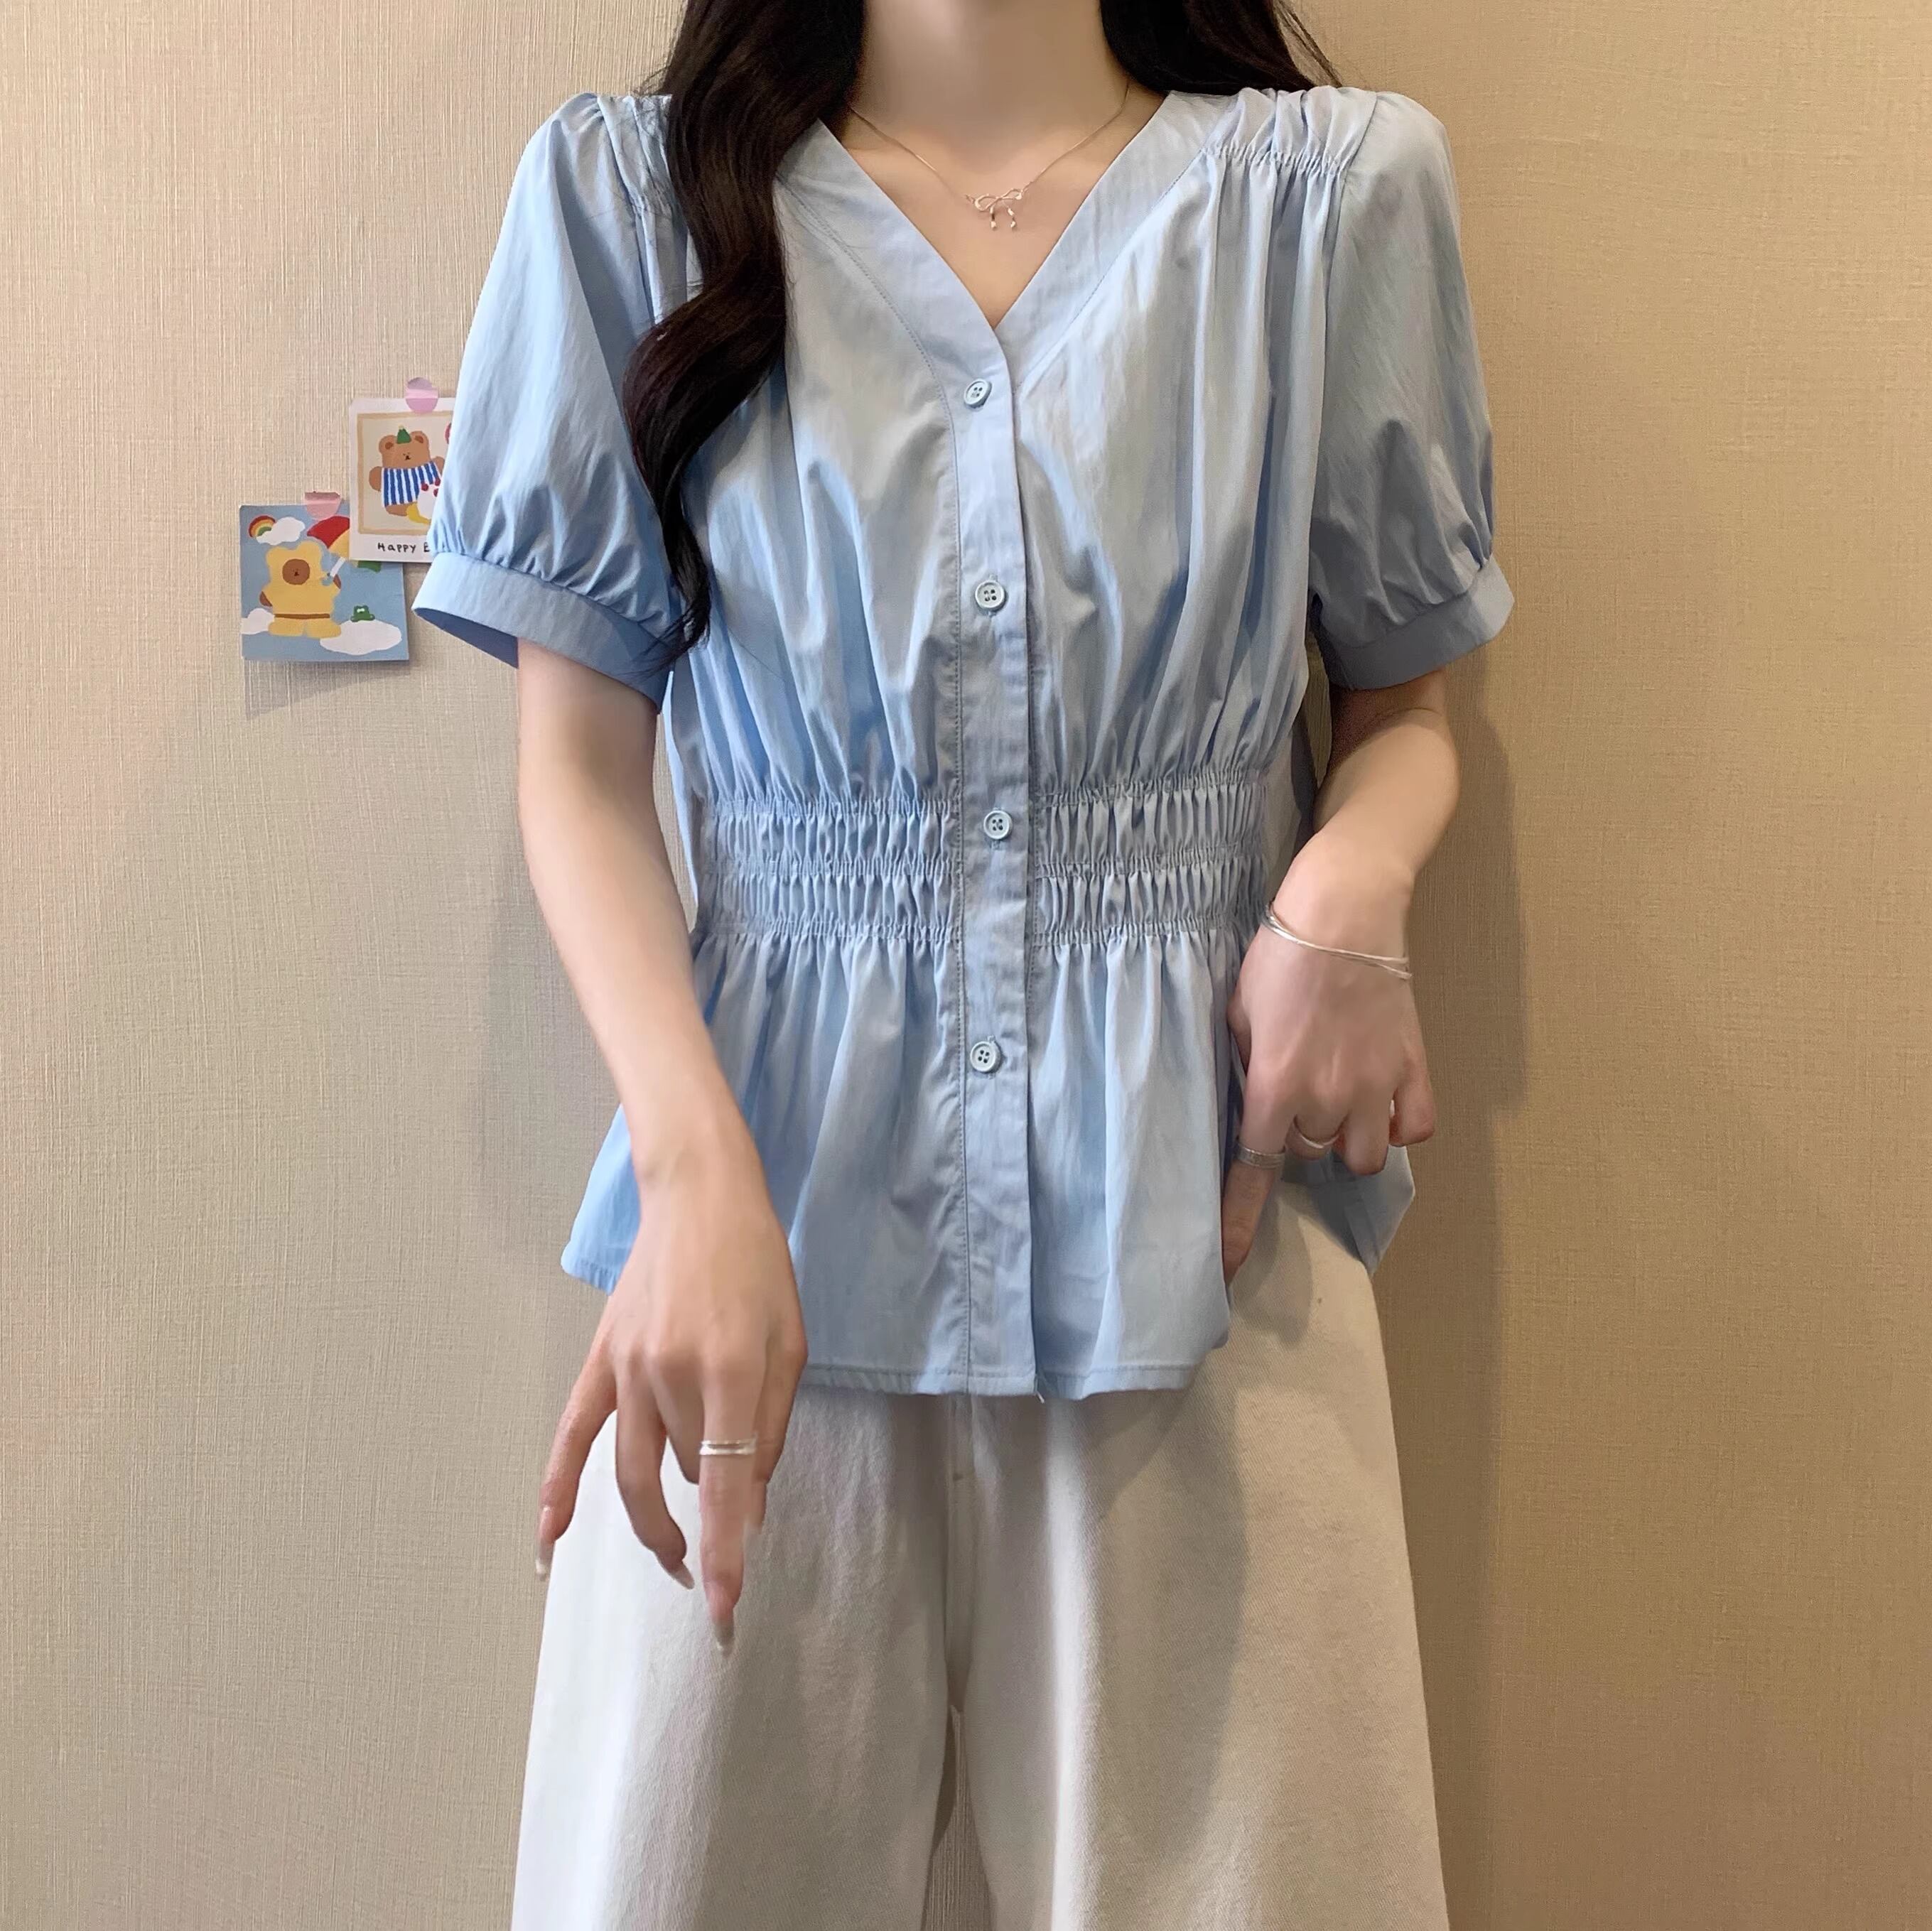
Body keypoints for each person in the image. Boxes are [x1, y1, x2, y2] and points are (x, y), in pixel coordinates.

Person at [414, 1, 1514, 1924]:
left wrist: (1349, 888)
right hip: (755, 1257)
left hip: (1200, 1243)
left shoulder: (1326, 205)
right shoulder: (630, 204)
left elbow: (1407, 701)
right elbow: (577, 770)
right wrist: (687, 1167)